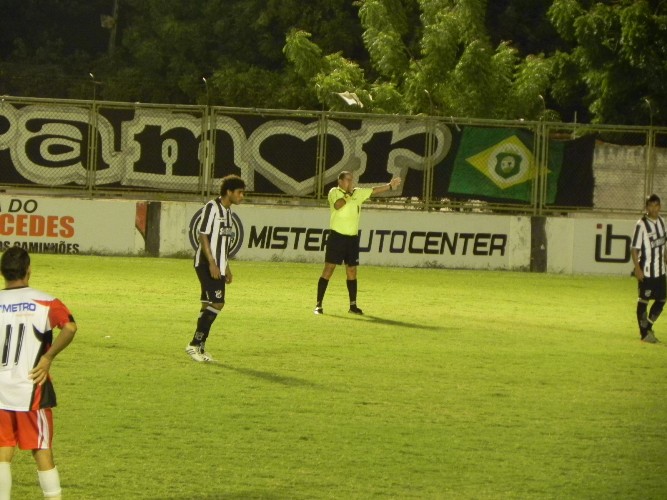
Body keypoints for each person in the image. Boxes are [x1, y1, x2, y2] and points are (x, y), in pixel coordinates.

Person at [0, 247, 77, 500]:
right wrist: (48, 357)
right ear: (28, 269)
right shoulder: (45, 301)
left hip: (1, 390)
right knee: (42, 450)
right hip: (31, 389)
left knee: (2, 452)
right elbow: (69, 327)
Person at [314, 171, 402, 315]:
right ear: (340, 181)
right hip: (337, 237)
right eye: (348, 179)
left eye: (352, 179)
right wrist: (349, 194)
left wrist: (390, 186)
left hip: (352, 239)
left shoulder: (358, 193)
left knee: (352, 270)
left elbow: (373, 191)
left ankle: (353, 306)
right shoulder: (334, 192)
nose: (351, 182)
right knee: (329, 269)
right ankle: (318, 304)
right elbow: (338, 205)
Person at [186, 174, 246, 362]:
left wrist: (226, 267)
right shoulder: (212, 208)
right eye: (239, 192)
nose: (242, 196)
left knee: (207, 304)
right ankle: (194, 345)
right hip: (206, 263)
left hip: (218, 265)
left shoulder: (229, 213)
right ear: (229, 192)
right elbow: (203, 235)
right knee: (218, 303)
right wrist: (212, 262)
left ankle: (201, 348)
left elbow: (224, 243)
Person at [631, 194, 667, 343]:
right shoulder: (641, 225)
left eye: (656, 205)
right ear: (646, 207)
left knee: (662, 299)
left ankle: (648, 326)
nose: (654, 208)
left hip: (660, 271)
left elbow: (664, 243)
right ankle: (644, 334)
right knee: (643, 301)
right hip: (646, 271)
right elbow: (634, 249)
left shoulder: (663, 222)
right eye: (650, 206)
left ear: (659, 207)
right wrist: (637, 269)